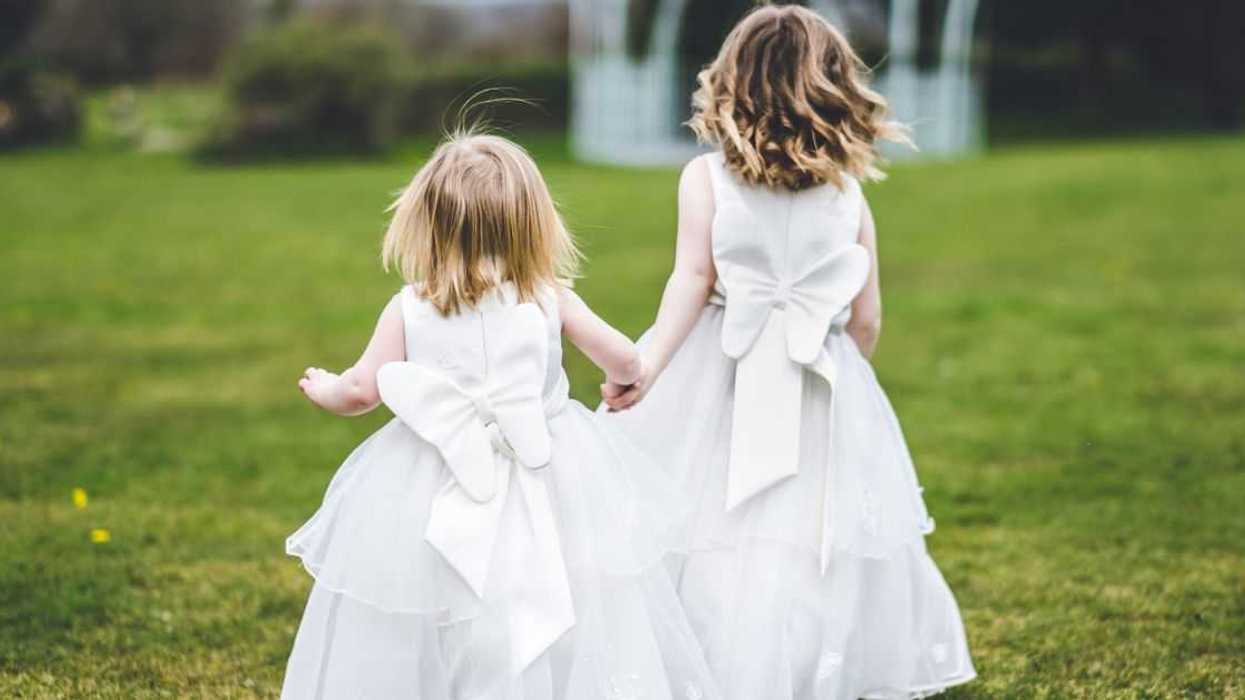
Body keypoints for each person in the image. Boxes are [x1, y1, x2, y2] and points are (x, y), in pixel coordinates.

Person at [600, 6, 975, 698]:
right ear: (833, 87)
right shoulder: (847, 190)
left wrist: (650, 365)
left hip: (718, 369)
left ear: (731, 82)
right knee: (810, 530)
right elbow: (866, 314)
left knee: (707, 515)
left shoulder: (704, 178)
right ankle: (806, 662)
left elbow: (691, 278)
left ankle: (697, 661)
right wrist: (848, 382)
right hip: (816, 374)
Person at [282, 131, 719, 700]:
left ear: (427, 223)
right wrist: (624, 376)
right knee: (562, 583)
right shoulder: (549, 297)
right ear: (532, 223)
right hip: (550, 468)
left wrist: (327, 388)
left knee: (438, 591)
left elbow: (365, 390)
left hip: (434, 471)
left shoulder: (410, 307)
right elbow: (626, 357)